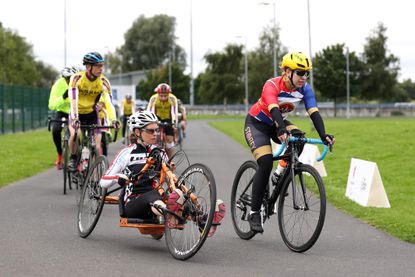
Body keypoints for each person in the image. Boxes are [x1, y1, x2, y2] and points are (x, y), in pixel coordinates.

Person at [244, 51, 335, 233]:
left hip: (279, 123)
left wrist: (323, 134)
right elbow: (274, 108)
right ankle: (254, 212)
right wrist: (280, 128)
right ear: (287, 71)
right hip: (258, 124)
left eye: (307, 73)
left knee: (299, 138)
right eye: (300, 73)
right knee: (266, 162)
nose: (304, 77)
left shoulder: (305, 89)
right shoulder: (272, 85)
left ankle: (280, 173)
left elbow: (314, 112)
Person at [99, 110, 225, 236]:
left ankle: (203, 220)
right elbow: (103, 181)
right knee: (154, 197)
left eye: (156, 130)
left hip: (157, 196)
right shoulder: (126, 154)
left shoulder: (160, 152)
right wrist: (117, 178)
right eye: (150, 131)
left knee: (178, 196)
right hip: (133, 203)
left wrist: (180, 189)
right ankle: (170, 214)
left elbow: (167, 178)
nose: (155, 134)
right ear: (137, 132)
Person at [67, 52, 119, 171]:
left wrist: (114, 119)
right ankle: (73, 157)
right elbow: (73, 100)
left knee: (96, 143)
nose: (101, 69)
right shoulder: (76, 79)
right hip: (77, 113)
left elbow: (109, 103)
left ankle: (93, 172)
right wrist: (75, 118)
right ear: (88, 66)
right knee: (76, 134)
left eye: (101, 66)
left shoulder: (104, 81)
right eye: (97, 66)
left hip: (91, 114)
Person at [48, 66, 79, 169]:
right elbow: (51, 105)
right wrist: (63, 97)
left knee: (77, 134)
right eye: (67, 78)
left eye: (71, 78)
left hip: (75, 112)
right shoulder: (57, 85)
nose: (69, 81)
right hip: (62, 112)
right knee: (55, 130)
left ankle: (78, 157)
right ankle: (60, 154)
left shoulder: (79, 83)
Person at [147, 83, 178, 157]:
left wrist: (174, 123)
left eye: (165, 95)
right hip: (157, 117)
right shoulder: (153, 98)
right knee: (153, 137)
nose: (163, 98)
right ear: (158, 94)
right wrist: (150, 122)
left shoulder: (173, 98)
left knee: (169, 141)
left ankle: (169, 160)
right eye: (161, 95)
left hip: (168, 118)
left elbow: (174, 112)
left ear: (168, 94)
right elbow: (150, 111)